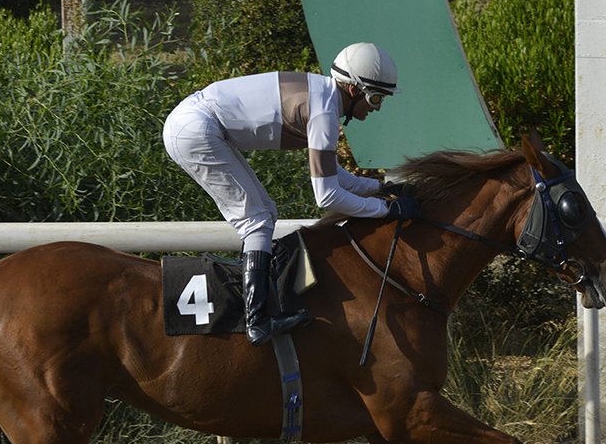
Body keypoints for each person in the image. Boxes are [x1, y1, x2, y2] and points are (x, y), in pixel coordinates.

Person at [163, 42, 419, 346]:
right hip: (195, 129)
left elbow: (334, 174)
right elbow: (327, 197)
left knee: (265, 213)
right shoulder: (324, 113)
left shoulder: (322, 97)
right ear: (353, 89)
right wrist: (385, 211)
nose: (376, 108)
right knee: (257, 220)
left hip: (194, 124)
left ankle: (258, 310)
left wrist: (380, 188)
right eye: (376, 98)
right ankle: (257, 321)